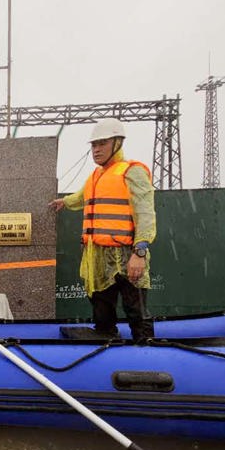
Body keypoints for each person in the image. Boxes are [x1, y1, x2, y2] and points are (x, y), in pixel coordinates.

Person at [49, 117, 157, 341]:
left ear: (117, 143)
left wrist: (140, 252)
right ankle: (106, 334)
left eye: (102, 144)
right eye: (94, 145)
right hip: (97, 254)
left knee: (135, 306)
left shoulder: (132, 171)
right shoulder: (96, 175)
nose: (96, 150)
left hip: (127, 252)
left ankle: (146, 345)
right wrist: (65, 202)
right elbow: (82, 197)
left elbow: (146, 213)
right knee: (101, 303)